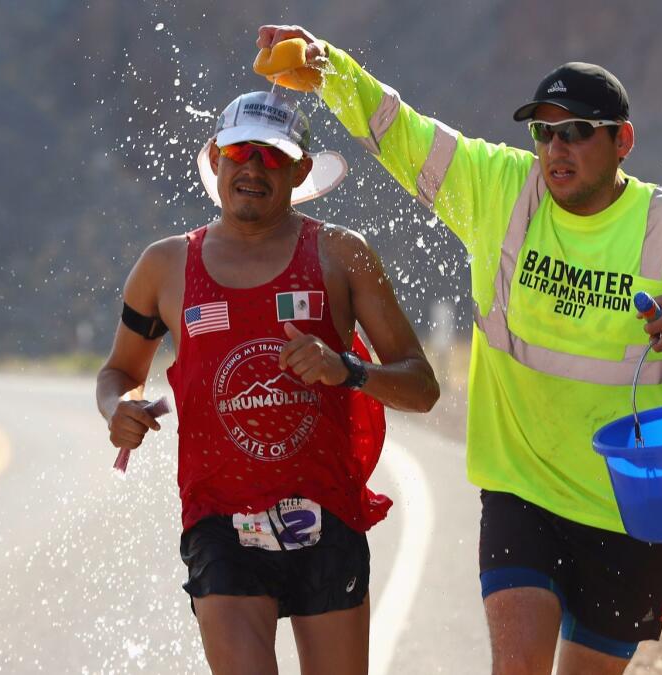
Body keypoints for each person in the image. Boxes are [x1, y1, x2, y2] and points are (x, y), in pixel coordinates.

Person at [255, 25, 662, 675]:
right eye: (544, 132)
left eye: (576, 130)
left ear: (621, 141)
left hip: (631, 509)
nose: (556, 148)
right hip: (521, 491)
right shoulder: (498, 189)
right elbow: (398, 128)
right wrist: (327, 66)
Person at [95, 89, 440, 675]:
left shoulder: (341, 255)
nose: (254, 168)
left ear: (301, 169)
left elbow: (422, 386)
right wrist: (118, 410)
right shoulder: (165, 266)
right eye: (240, 152)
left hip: (326, 513)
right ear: (215, 157)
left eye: (274, 156)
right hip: (219, 519)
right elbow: (119, 373)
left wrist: (349, 369)